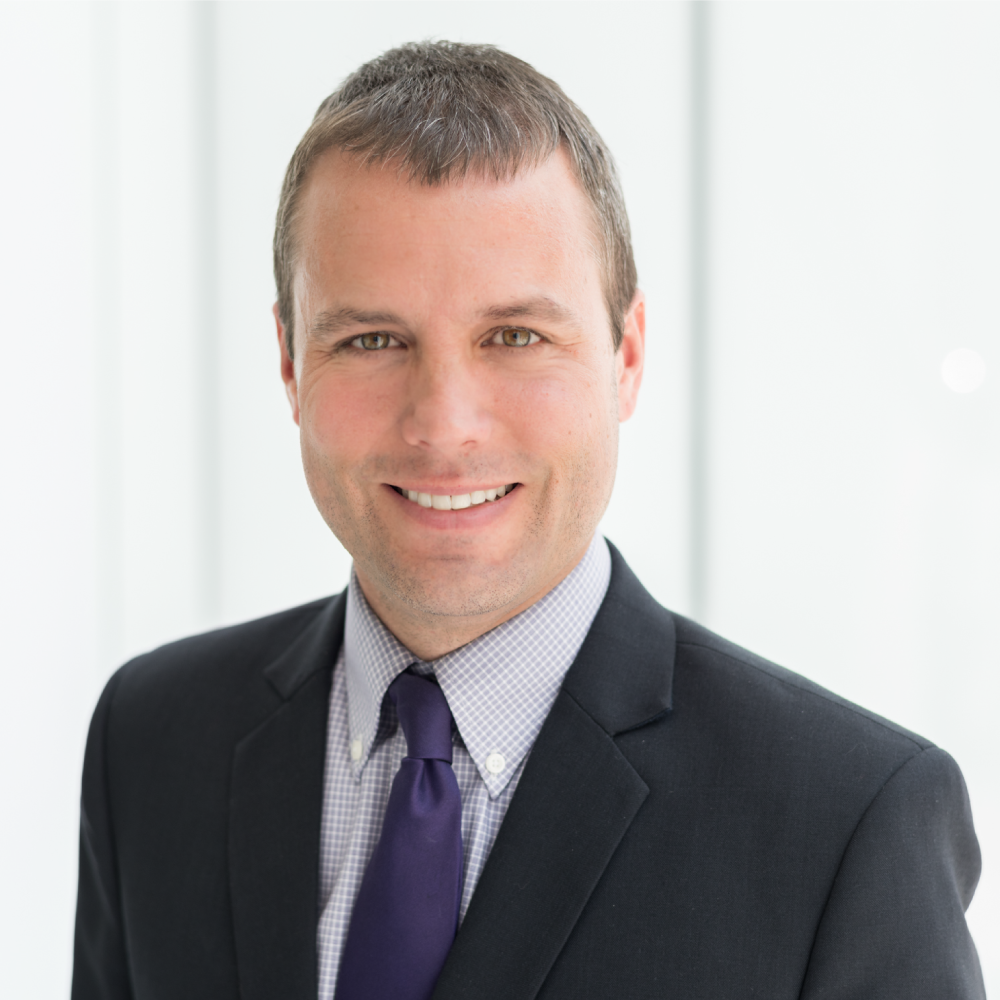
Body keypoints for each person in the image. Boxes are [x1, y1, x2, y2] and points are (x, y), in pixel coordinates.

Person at [72, 41, 985, 1000]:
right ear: (292, 362)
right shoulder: (152, 743)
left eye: (515, 336)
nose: (445, 424)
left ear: (626, 356)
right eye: (372, 339)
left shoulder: (844, 821)